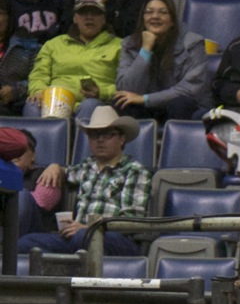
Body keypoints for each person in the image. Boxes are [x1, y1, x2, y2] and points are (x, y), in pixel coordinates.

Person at [16, 104, 148, 256]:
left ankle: (68, 262)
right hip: (76, 235)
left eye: (107, 134)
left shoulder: (134, 171)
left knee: (84, 236)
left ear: (121, 139)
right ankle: (64, 266)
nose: (100, 140)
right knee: (26, 242)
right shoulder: (87, 166)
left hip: (115, 238)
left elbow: (132, 220)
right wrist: (55, 167)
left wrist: (91, 227)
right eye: (94, 135)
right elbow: (67, 172)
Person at [113, 0, 210, 123]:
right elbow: (127, 89)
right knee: (121, 102)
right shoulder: (129, 44)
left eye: (163, 12)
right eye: (149, 12)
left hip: (183, 106)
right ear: (142, 18)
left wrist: (145, 99)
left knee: (180, 103)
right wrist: (145, 50)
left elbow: (189, 90)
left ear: (172, 20)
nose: (155, 16)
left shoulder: (192, 44)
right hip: (147, 107)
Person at [24, 0, 120, 122]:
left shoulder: (119, 46)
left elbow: (124, 85)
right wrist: (39, 91)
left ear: (104, 19)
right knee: (32, 104)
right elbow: (39, 74)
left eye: (95, 13)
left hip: (97, 102)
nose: (89, 17)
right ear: (75, 18)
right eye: (83, 13)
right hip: (55, 100)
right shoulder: (53, 44)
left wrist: (101, 92)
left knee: (90, 105)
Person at [60, 0, 142, 42]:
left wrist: (102, 4)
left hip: (113, 48)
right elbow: (65, 27)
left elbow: (129, 33)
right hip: (76, 46)